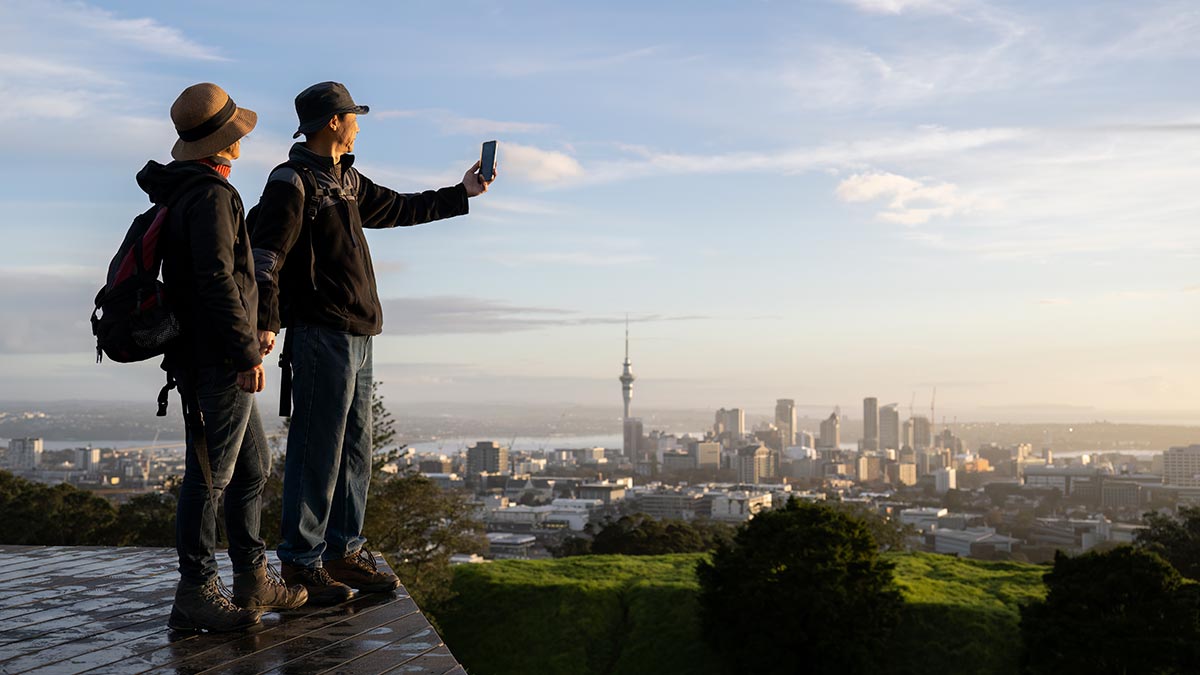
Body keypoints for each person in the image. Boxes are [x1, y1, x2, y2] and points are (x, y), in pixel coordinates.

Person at [250, 81, 492, 604]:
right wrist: (266, 322)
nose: (359, 122)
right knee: (317, 448)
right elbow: (265, 256)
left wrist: (462, 192)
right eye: (353, 115)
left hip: (358, 331)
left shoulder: (347, 180)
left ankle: (343, 551)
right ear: (334, 122)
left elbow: (400, 207)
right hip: (319, 330)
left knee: (355, 449)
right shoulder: (292, 181)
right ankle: (300, 562)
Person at [138, 83, 307, 632]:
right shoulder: (210, 194)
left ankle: (253, 577)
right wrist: (244, 350)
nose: (242, 140)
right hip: (216, 357)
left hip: (206, 352)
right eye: (237, 133)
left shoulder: (187, 189)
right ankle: (197, 591)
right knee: (211, 478)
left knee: (250, 469)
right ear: (224, 140)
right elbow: (216, 280)